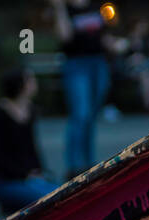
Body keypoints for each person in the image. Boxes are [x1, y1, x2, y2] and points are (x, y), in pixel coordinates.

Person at [51, 0, 117, 178]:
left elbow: (104, 33)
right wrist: (59, 8)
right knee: (80, 114)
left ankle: (88, 163)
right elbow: (64, 36)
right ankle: (73, 166)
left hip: (98, 63)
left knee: (91, 116)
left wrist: (112, 43)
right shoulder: (65, 8)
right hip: (76, 65)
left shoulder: (96, 6)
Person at [0, 67, 58, 215]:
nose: (34, 83)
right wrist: (24, 174)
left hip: (28, 177)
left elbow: (32, 147)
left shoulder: (30, 110)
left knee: (60, 192)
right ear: (20, 85)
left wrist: (39, 170)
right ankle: (8, 201)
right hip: (6, 179)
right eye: (30, 80)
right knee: (47, 200)